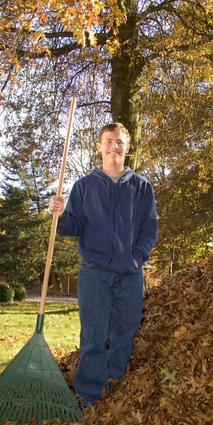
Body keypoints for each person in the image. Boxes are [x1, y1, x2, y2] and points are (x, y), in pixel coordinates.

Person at [48, 122, 158, 407]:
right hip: (94, 271)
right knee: (94, 337)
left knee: (124, 335)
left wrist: (137, 257)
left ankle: (117, 393)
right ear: (99, 147)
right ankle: (89, 398)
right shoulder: (84, 186)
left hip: (129, 273)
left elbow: (149, 228)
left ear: (127, 148)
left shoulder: (141, 186)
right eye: (108, 141)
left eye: (119, 142)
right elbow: (72, 226)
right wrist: (59, 215)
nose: (114, 146)